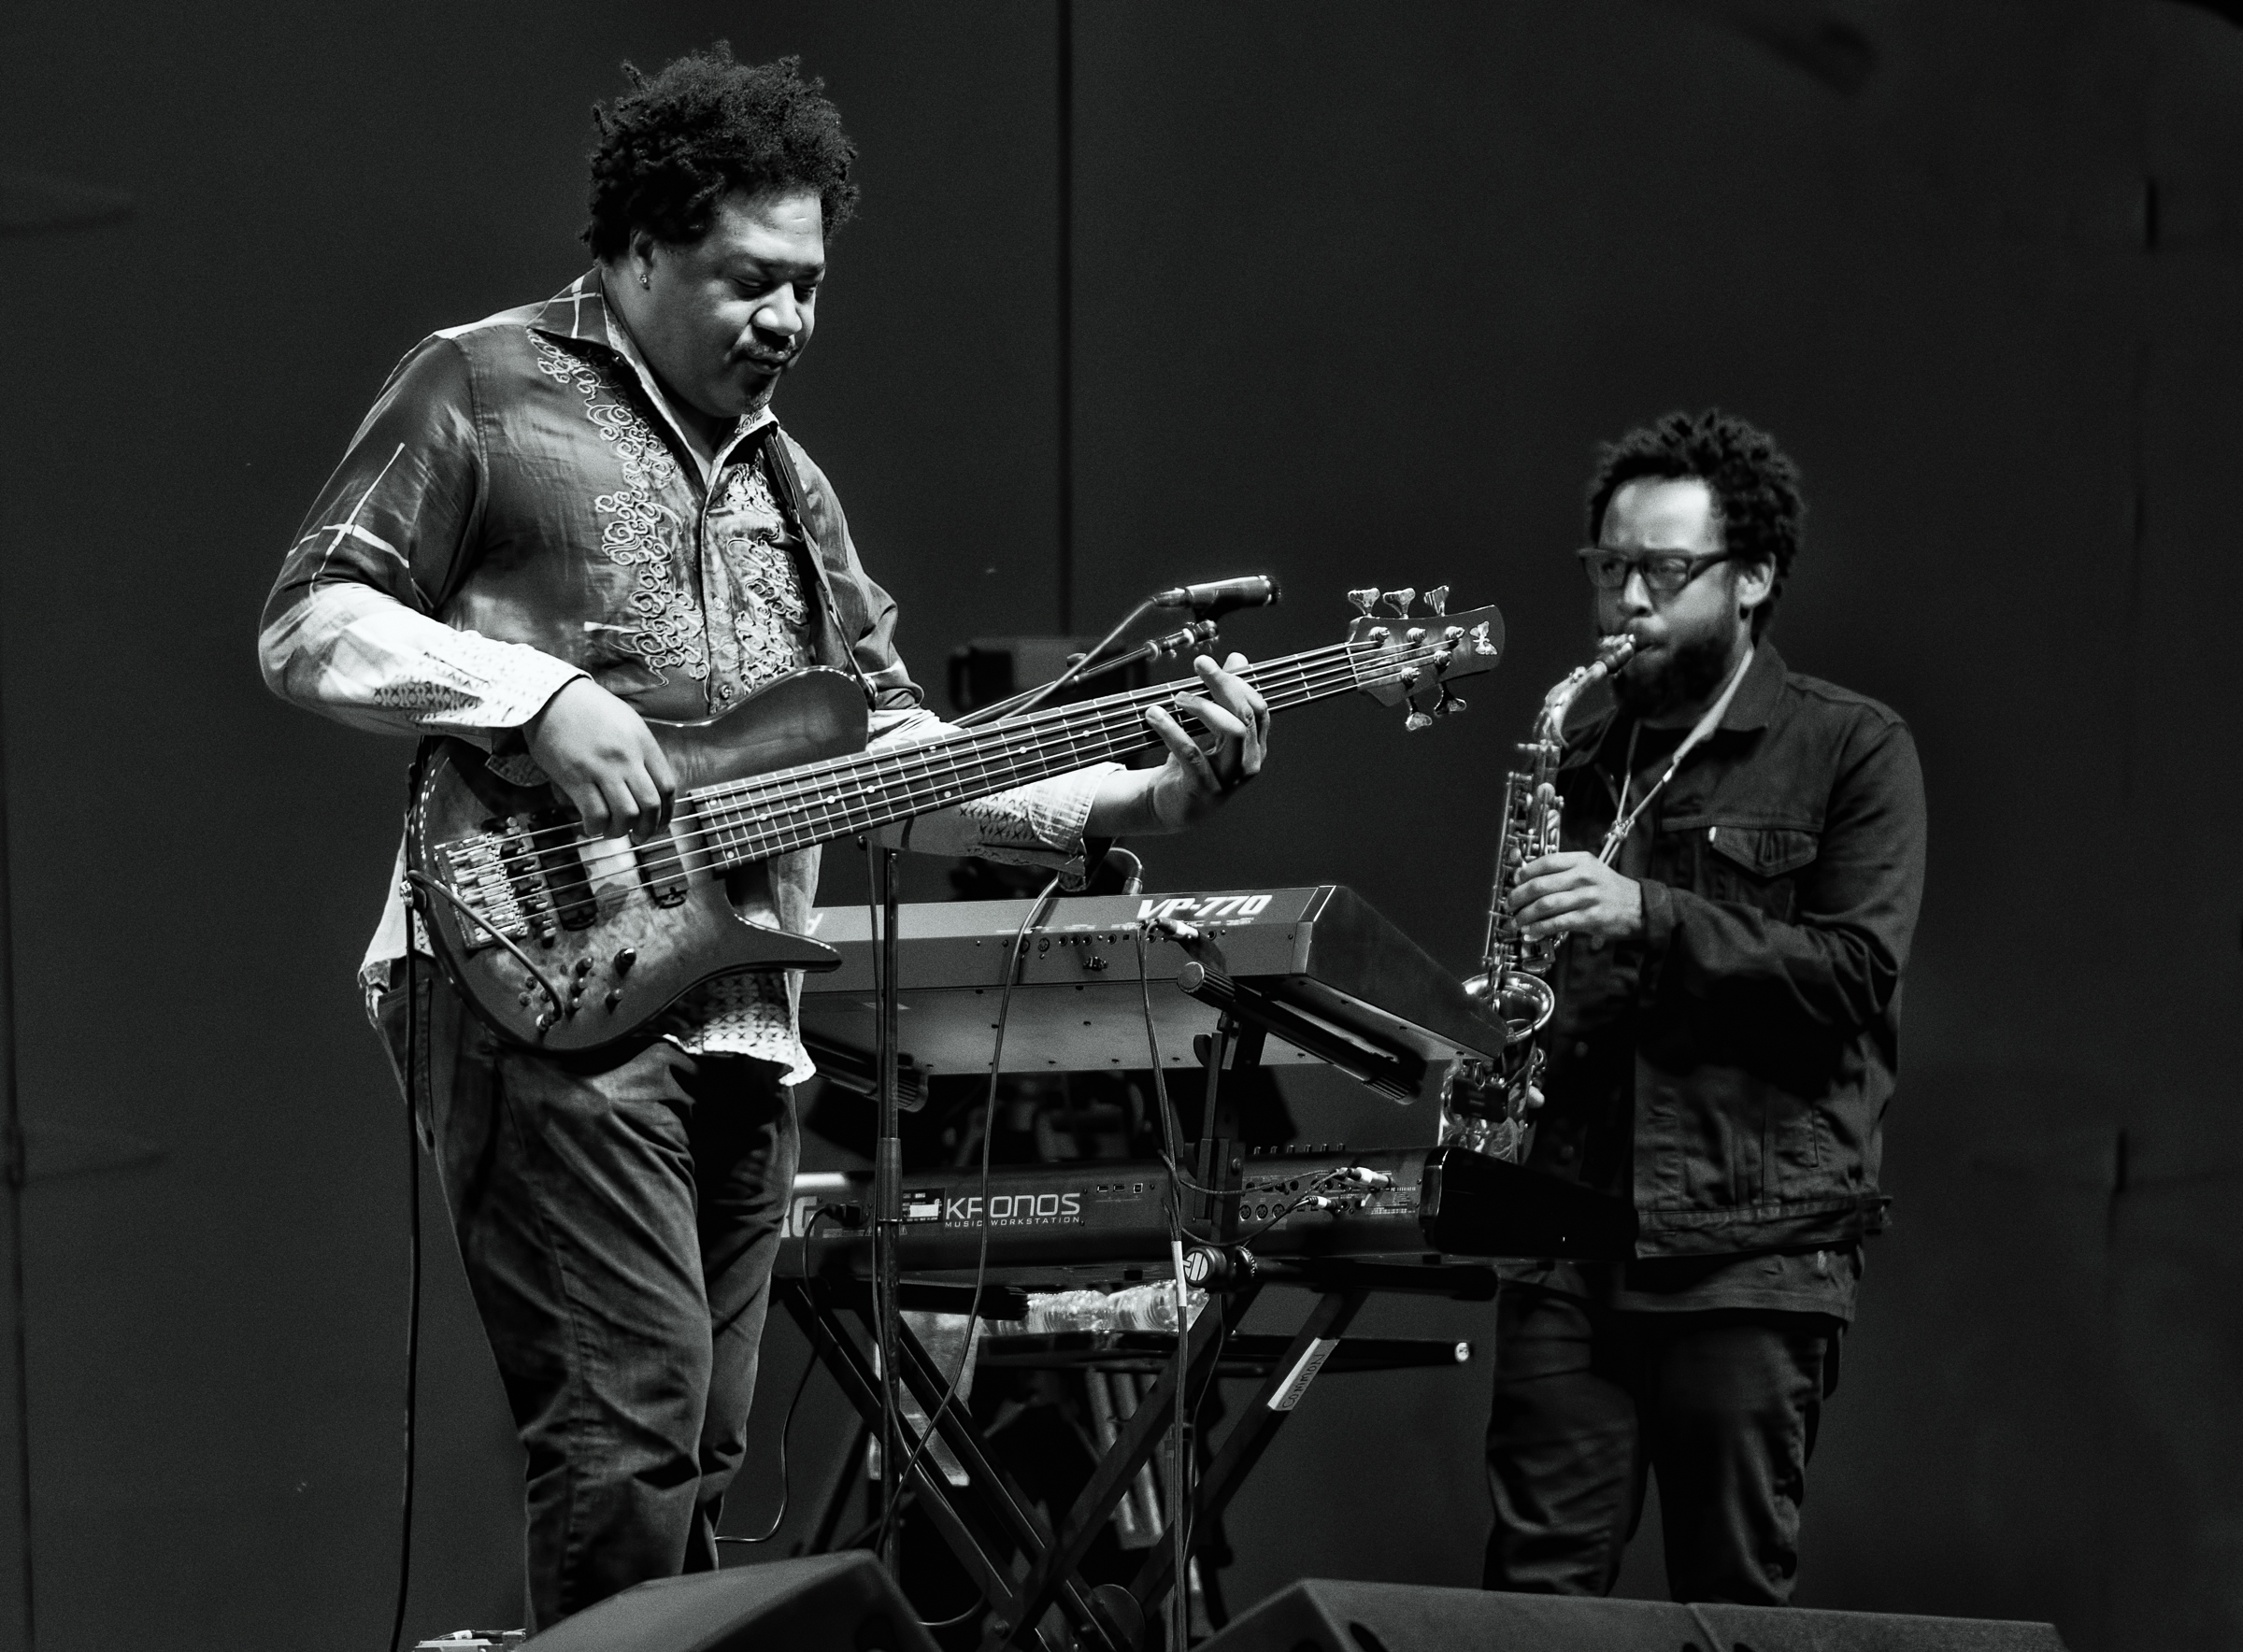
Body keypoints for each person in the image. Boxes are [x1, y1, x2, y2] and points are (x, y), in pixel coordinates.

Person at [257, 47, 1271, 1628]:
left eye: (808, 287)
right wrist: (530, 696)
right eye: (751, 282)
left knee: (701, 1444)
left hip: (738, 1016)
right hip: (534, 973)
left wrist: (1131, 801)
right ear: (641, 249)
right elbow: (311, 622)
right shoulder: (483, 382)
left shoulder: (797, 489)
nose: (789, 322)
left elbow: (890, 762)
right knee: (627, 1425)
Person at [1482, 409, 1926, 1603]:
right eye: (1609, 566)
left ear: (1754, 578)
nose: (1626, 596)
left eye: (1664, 570)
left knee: (1729, 1604)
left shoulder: (1852, 749)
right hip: (1567, 1239)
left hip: (1749, 1252)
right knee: (1528, 1603)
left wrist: (1647, 914)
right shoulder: (1578, 753)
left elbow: (1848, 978)